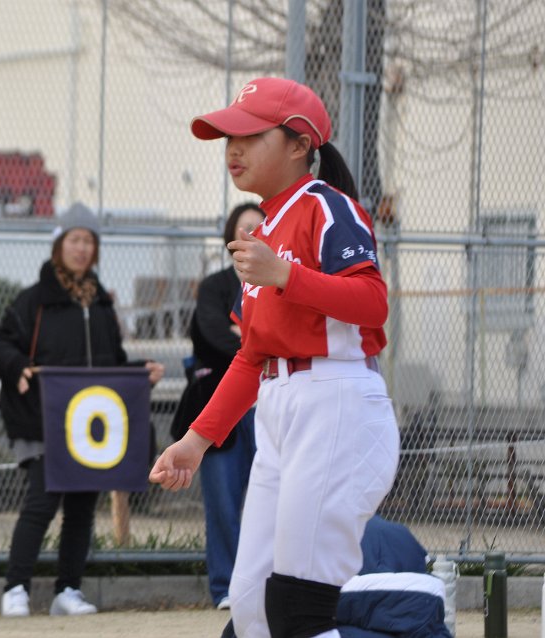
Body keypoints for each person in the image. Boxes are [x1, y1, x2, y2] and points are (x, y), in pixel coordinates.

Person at [149, 77, 400, 638]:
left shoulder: (327, 207)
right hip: (281, 406)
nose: (232, 149)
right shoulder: (263, 230)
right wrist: (195, 441)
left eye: (250, 135)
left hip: (335, 402)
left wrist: (285, 274)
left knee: (297, 605)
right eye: (228, 137)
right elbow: (252, 356)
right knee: (250, 604)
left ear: (299, 144)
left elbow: (373, 303)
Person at [0, 202, 164, 618]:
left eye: (88, 242)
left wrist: (140, 372)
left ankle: (68, 590)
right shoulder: (34, 301)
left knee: (82, 508)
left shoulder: (101, 305)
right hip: (43, 422)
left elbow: (112, 365)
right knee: (41, 504)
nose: (82, 249)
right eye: (75, 240)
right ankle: (15, 588)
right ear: (59, 245)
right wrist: (18, 366)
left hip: (88, 431)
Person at [170, 202, 266, 611]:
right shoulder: (214, 285)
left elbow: (279, 335)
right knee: (223, 501)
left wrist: (245, 335)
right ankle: (226, 586)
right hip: (219, 406)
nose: (252, 235)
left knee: (272, 499)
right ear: (230, 237)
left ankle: (267, 584)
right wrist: (255, 342)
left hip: (269, 405)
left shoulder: (276, 279)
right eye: (245, 228)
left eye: (260, 228)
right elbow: (212, 333)